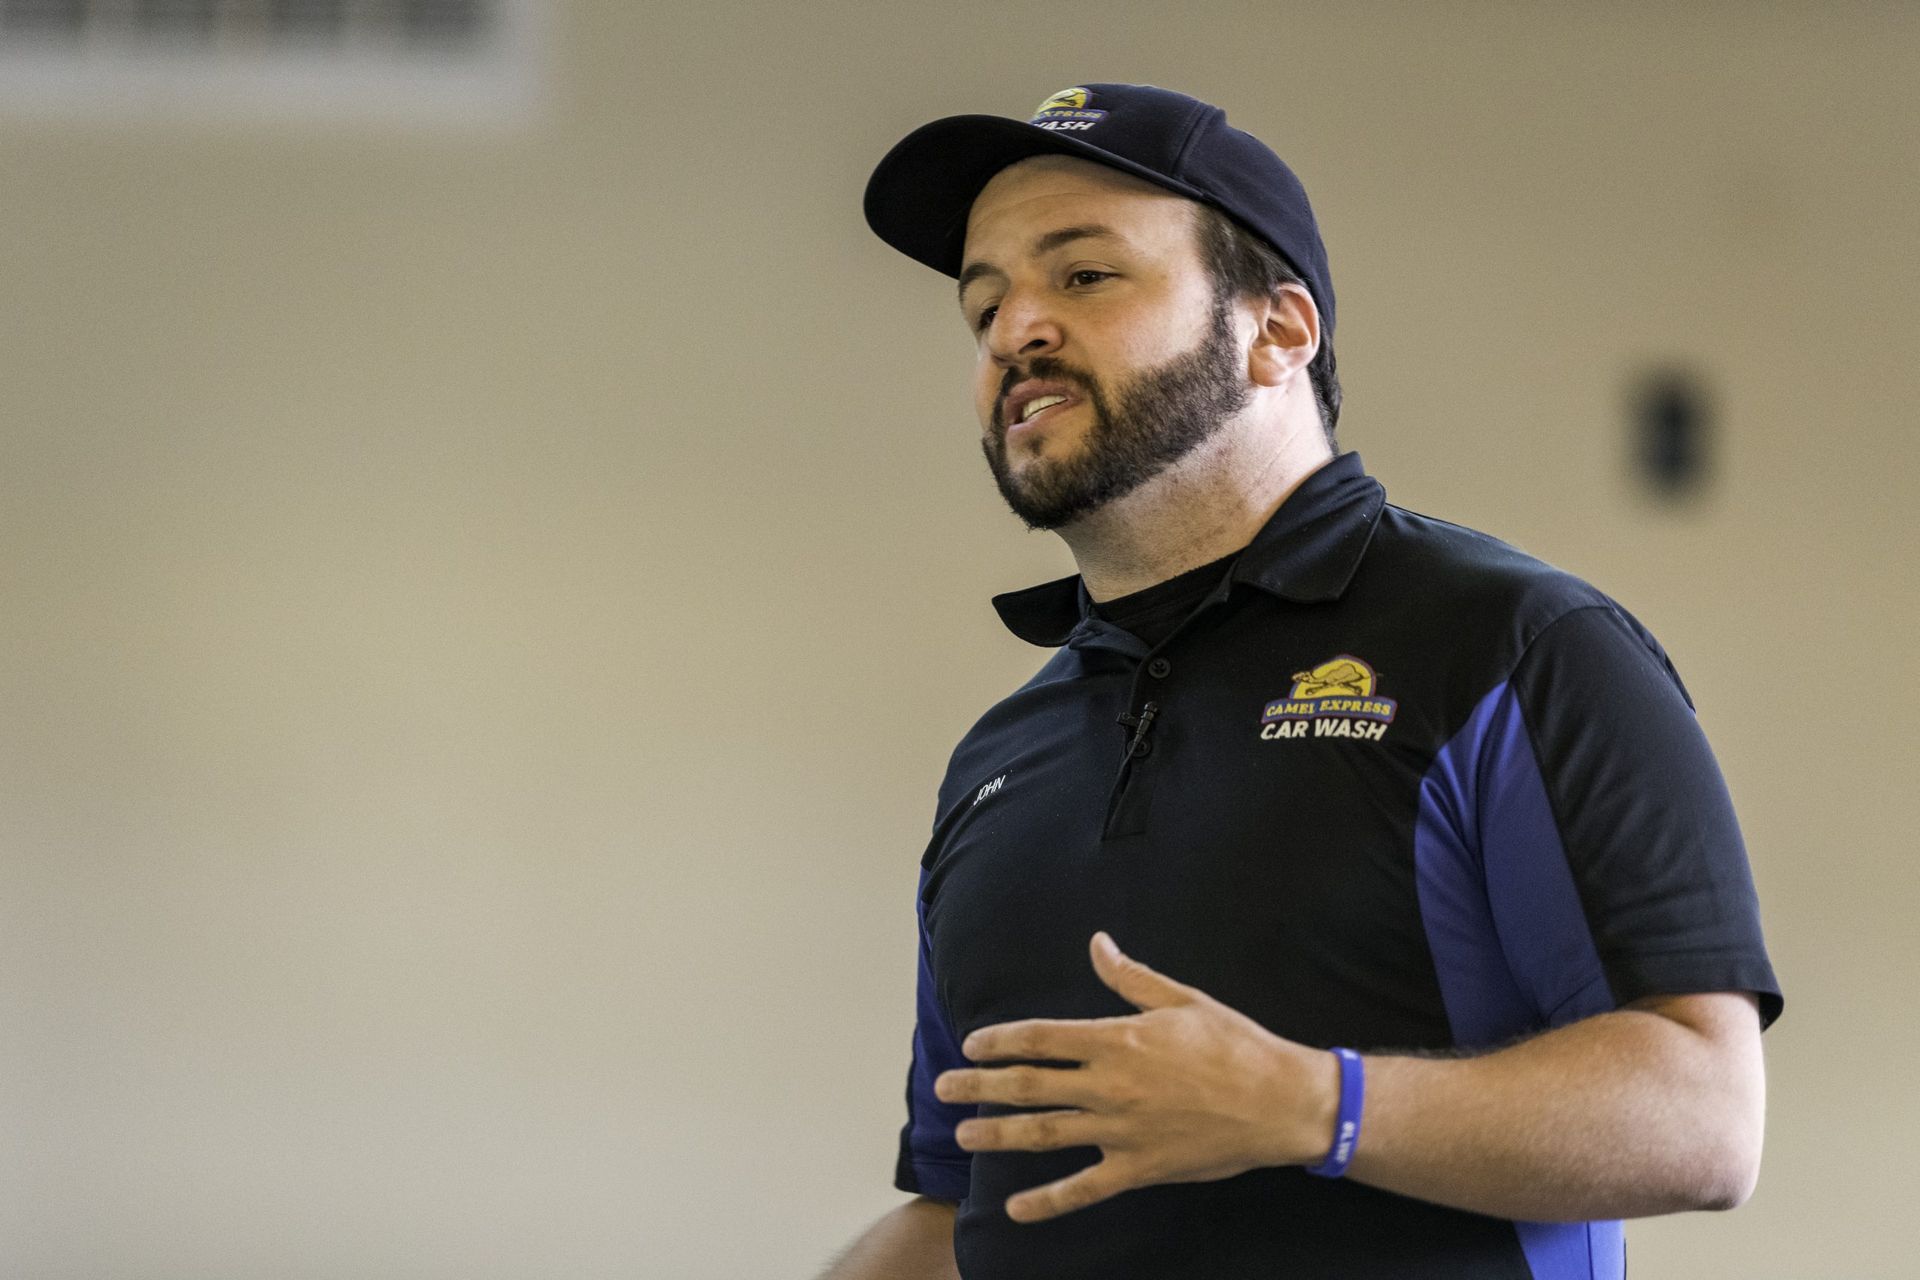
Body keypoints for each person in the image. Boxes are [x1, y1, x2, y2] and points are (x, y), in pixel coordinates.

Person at [818, 83, 1782, 1280]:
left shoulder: (1511, 644)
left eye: (1083, 277)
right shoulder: (1004, 756)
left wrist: (1313, 1105)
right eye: (984, 303)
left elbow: (1704, 1117)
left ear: (1278, 329)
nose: (1017, 329)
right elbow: (967, 1206)